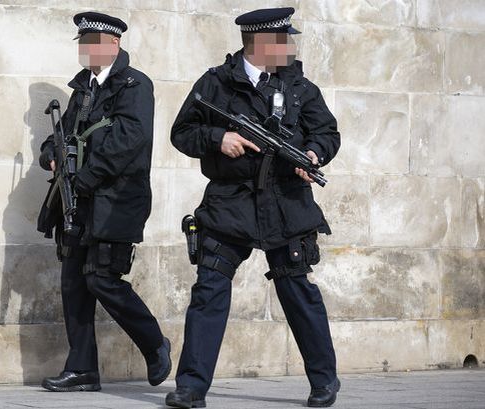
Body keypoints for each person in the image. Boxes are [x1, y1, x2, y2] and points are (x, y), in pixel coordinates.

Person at [166, 7, 341, 408]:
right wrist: (217, 137)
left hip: (285, 202)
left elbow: (326, 133)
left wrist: (313, 154)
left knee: (297, 291)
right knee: (209, 290)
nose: (291, 46)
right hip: (231, 202)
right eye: (285, 40)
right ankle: (191, 388)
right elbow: (182, 132)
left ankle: (324, 381)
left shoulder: (300, 87)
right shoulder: (215, 84)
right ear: (262, 44)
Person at [37, 11, 171, 393]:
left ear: (113, 45)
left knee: (102, 278)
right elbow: (63, 135)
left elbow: (130, 140)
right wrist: (50, 152)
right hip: (78, 200)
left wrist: (87, 177)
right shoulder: (82, 89)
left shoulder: (134, 85)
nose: (86, 49)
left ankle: (154, 343)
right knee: (73, 284)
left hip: (116, 199)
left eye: (93, 42)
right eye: (82, 42)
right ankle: (82, 369)